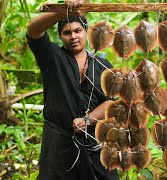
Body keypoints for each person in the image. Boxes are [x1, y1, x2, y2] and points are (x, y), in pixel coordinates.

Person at [26, 0, 119, 179]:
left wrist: (88, 120)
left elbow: (111, 102)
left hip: (95, 144)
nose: (73, 36)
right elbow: (33, 30)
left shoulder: (102, 65)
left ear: (86, 32)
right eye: (67, 33)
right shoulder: (52, 57)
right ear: (60, 37)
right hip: (58, 147)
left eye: (78, 31)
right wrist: (64, 11)